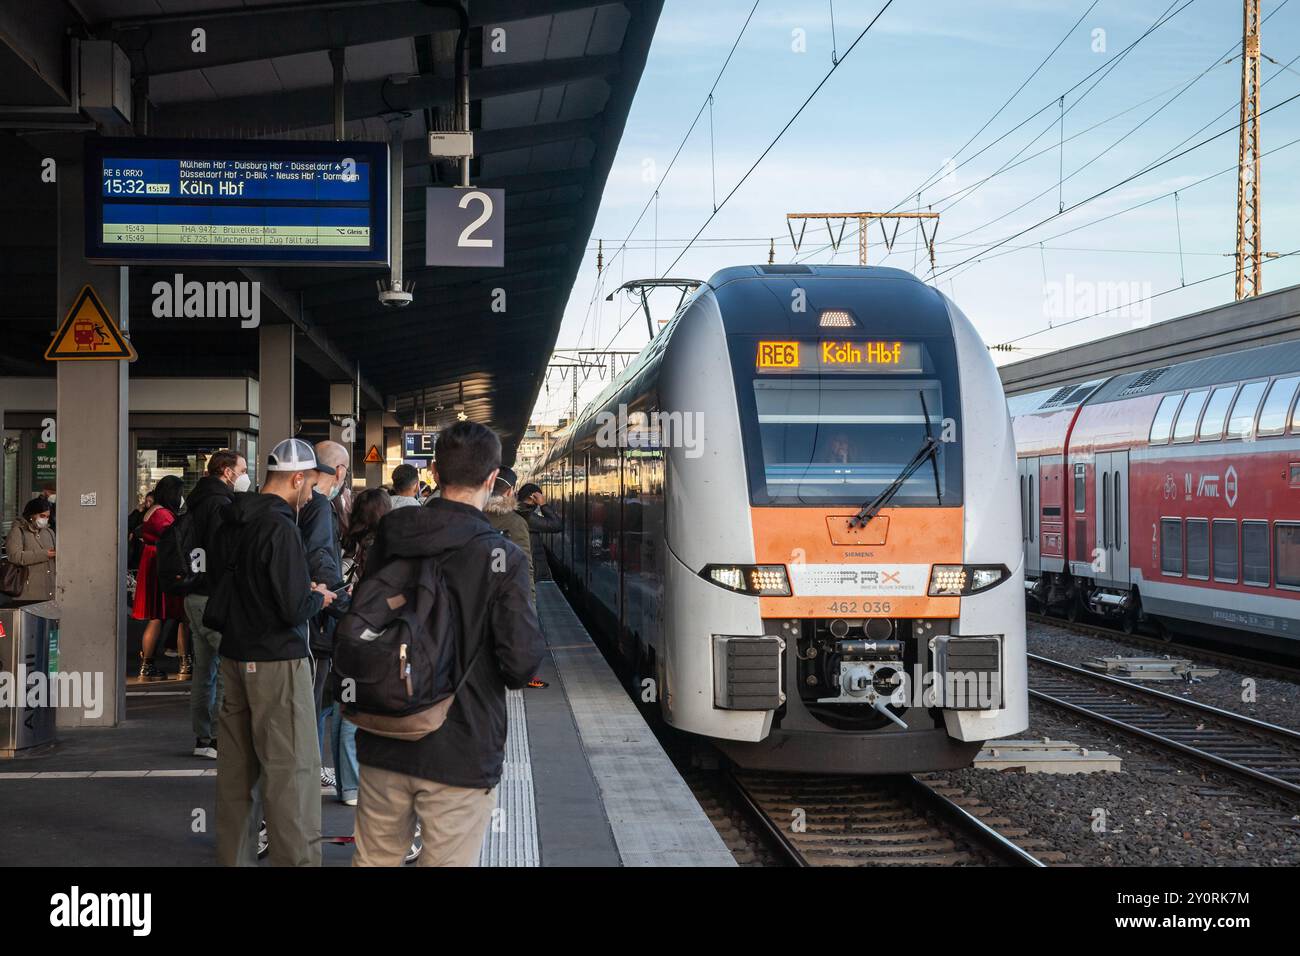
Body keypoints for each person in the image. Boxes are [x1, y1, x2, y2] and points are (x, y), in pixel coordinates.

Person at [352, 421, 545, 867]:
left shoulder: (393, 534)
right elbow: (520, 664)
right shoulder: (503, 558)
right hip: (461, 744)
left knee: (373, 861)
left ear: (434, 472)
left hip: (384, 730)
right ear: (493, 478)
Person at [207, 438, 335, 867]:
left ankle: (235, 859)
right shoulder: (281, 527)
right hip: (278, 663)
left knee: (236, 777)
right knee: (292, 776)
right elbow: (292, 605)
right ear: (297, 478)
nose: (311, 494)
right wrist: (319, 597)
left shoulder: (234, 519)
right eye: (311, 485)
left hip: (234, 657)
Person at [183, 450, 248, 759]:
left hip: (191, 595)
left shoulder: (192, 502)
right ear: (226, 471)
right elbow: (225, 552)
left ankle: (202, 738)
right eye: (242, 469)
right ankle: (222, 738)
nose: (244, 476)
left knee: (202, 670)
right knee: (225, 668)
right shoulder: (221, 505)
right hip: (215, 597)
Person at [331, 487, 391, 807]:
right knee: (357, 708)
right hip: (368, 631)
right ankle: (354, 785)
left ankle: (347, 786)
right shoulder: (379, 546)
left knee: (345, 704)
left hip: (346, 629)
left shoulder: (348, 541)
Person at [299, 440, 351, 800]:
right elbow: (320, 556)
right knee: (314, 703)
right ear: (340, 473)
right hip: (316, 620)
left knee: (311, 702)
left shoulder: (299, 505)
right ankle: (311, 772)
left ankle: (308, 769)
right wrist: (343, 604)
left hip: (304, 615)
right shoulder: (319, 507)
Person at [132, 475, 189, 681]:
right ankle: (185, 663)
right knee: (179, 615)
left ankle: (147, 665)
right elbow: (175, 539)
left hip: (151, 564)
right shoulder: (164, 514)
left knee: (157, 616)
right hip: (163, 565)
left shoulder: (151, 511)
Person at [483, 466, 534, 604]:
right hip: (505, 604)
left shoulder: (471, 517)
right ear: (510, 491)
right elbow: (524, 572)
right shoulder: (516, 523)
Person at [4, 498, 56, 601]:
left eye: (47, 517)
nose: (45, 519)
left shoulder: (49, 532)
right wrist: (45, 554)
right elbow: (15, 556)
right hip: (27, 592)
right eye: (42, 516)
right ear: (31, 515)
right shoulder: (17, 532)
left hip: (49, 589)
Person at [515, 482, 563, 584]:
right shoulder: (526, 515)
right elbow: (557, 525)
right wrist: (543, 504)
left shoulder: (518, 511)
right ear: (533, 497)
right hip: (531, 570)